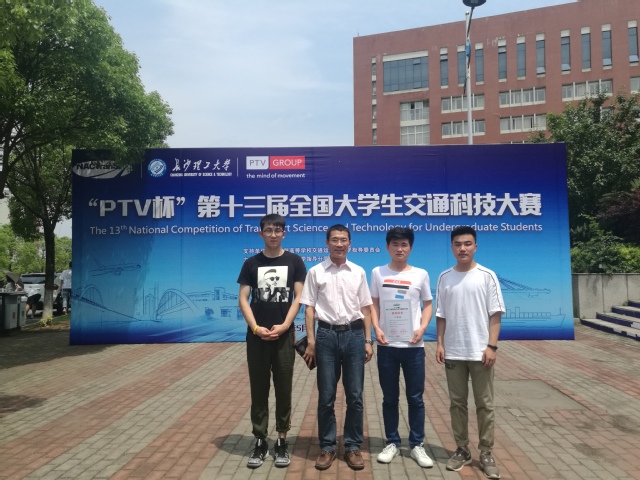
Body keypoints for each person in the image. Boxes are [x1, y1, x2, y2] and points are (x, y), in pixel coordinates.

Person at [301, 224, 374, 471]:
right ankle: (327, 446)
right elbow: (309, 308)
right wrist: (311, 341)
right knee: (326, 396)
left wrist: (368, 340)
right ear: (327, 243)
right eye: (334, 239)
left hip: (354, 335)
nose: (339, 244)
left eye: (343, 240)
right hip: (326, 337)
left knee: (355, 395)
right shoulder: (316, 272)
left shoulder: (358, 272)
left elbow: (365, 308)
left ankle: (352, 446)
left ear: (350, 243)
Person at [435, 226, 505, 479]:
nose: (462, 248)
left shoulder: (487, 276)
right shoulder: (444, 277)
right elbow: (441, 315)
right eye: (457, 244)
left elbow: (495, 314)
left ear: (475, 246)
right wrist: (440, 343)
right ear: (452, 247)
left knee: (485, 404)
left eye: (467, 244)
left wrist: (491, 346)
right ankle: (462, 449)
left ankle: (486, 451)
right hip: (454, 351)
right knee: (457, 403)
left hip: (481, 352)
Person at [237, 214, 306, 469]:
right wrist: (256, 328)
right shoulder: (251, 263)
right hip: (257, 337)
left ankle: (281, 440)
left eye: (278, 230)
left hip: (283, 337)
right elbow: (243, 299)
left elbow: (299, 297)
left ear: (284, 233)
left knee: (284, 388)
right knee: (259, 389)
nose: (273, 234)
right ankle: (260, 440)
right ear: (261, 233)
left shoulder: (294, 261)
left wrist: (286, 325)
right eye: (268, 230)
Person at [370, 227, 434, 468]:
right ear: (387, 247)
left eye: (404, 244)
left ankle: (417, 444)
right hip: (387, 345)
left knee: (415, 398)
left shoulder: (421, 274)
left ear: (410, 247)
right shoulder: (378, 273)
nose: (399, 249)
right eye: (395, 244)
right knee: (389, 397)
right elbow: (373, 304)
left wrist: (422, 328)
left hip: (413, 346)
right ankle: (392, 442)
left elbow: (428, 305)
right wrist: (376, 328)